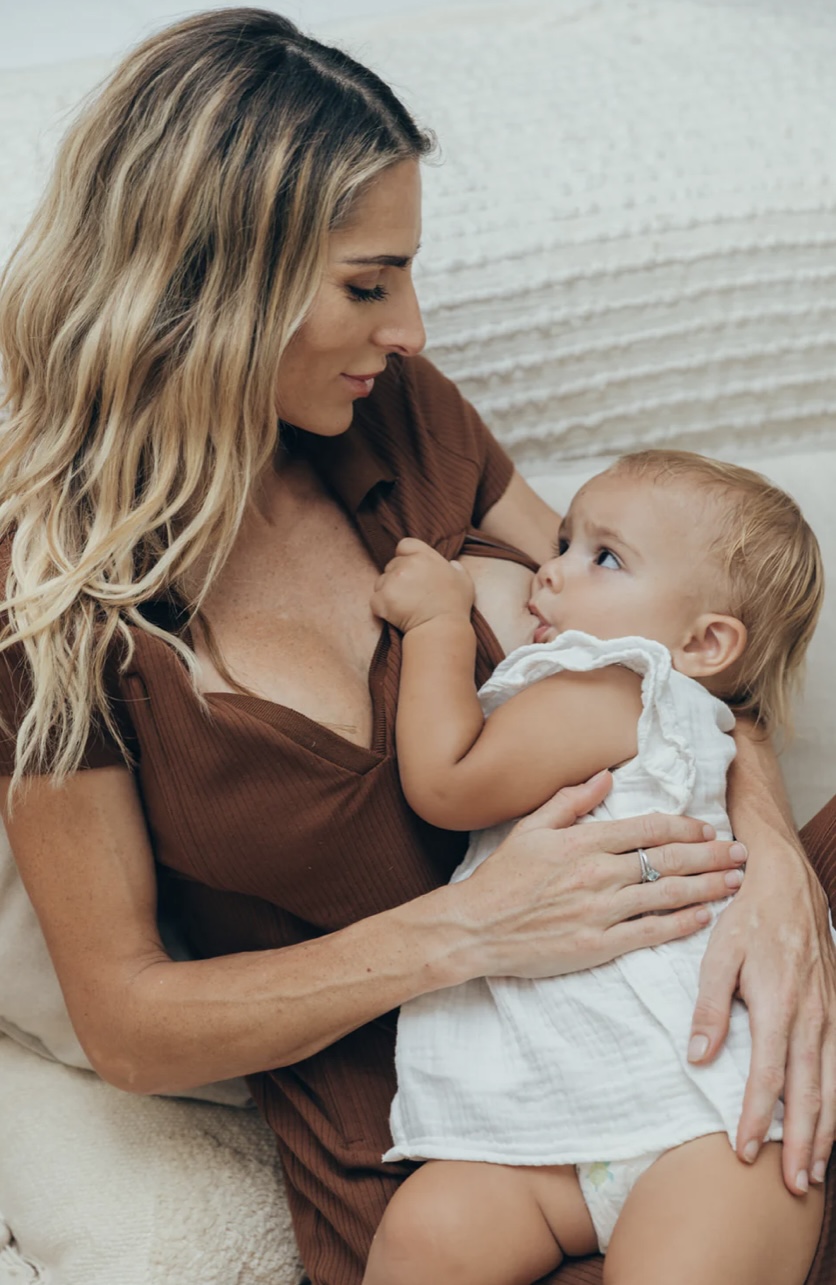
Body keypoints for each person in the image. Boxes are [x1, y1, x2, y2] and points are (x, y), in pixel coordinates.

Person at [0, 10, 833, 1285]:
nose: (412, 330)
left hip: (699, 1017)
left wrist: (774, 876)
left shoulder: (394, 423)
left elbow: (683, 655)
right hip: (458, 1146)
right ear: (209, 281)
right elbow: (127, 1024)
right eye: (367, 284)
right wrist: (472, 928)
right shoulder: (54, 606)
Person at [363, 449, 830, 1284]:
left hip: (699, 1114)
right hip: (558, 1121)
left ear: (704, 642)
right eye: (564, 542)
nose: (550, 569)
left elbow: (447, 781)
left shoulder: (622, 688)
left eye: (603, 557)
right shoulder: (646, 702)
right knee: (424, 1235)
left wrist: (438, 623)